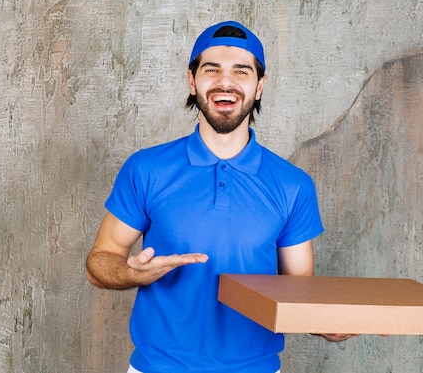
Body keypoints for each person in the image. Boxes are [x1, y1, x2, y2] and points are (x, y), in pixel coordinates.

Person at [86, 20, 355, 373]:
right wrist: (132, 273)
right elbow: (99, 263)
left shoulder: (293, 186)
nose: (225, 82)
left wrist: (324, 324)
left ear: (259, 86)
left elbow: (297, 292)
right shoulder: (146, 169)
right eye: (211, 69)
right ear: (192, 79)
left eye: (241, 71)